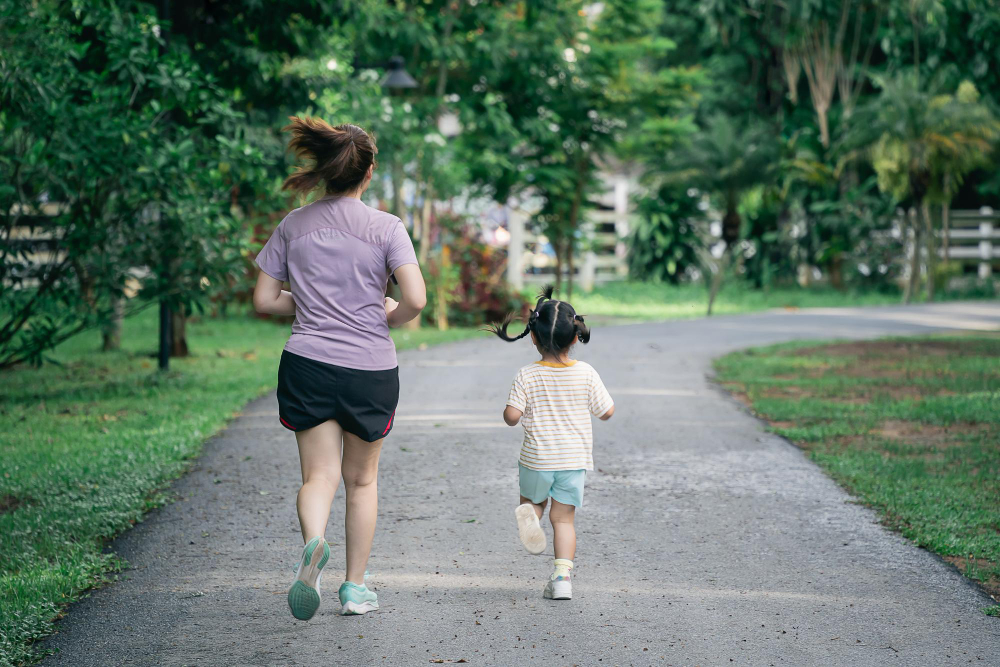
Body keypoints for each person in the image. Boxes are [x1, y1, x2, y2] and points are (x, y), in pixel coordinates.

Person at [253, 116, 426, 620]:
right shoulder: (386, 227)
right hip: (370, 367)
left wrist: (307, 303)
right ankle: (354, 588)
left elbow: (265, 299)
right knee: (362, 480)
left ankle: (313, 544)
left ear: (325, 170)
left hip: (307, 362)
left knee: (319, 475)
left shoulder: (294, 224)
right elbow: (414, 296)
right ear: (368, 172)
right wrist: (390, 312)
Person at [488, 287, 614, 600]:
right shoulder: (586, 373)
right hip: (573, 462)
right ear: (575, 337)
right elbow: (607, 411)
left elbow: (512, 416)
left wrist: (510, 410)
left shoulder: (527, 374)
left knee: (532, 504)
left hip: (537, 460)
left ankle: (531, 515)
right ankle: (562, 578)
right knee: (564, 520)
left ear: (533, 337)